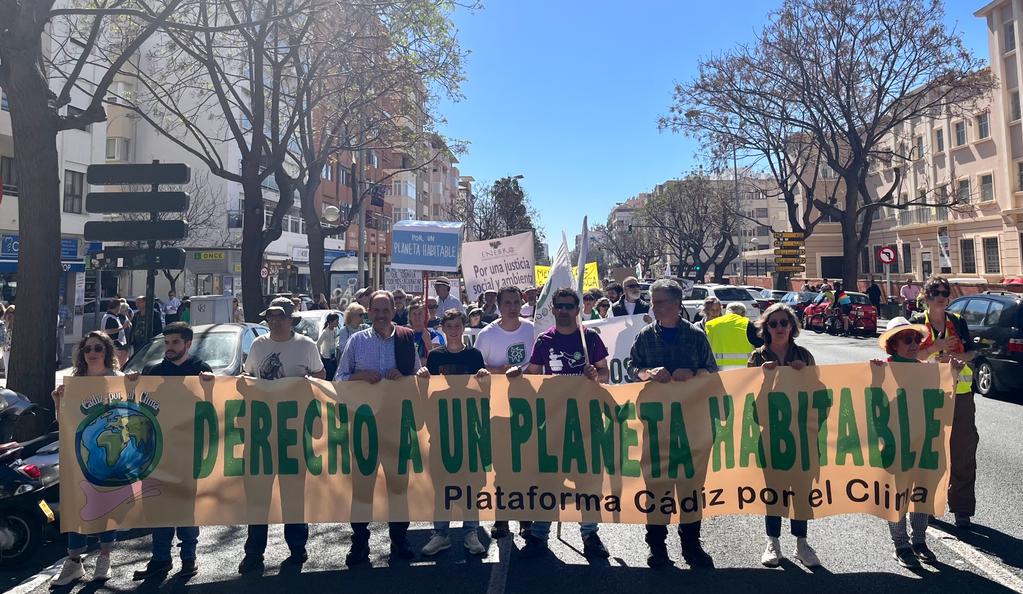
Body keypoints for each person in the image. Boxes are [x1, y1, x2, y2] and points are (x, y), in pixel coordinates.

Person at [508, 287, 610, 559]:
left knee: (587, 479)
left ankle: (590, 534)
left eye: (569, 306)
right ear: (552, 309)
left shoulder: (590, 339)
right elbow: (533, 376)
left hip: (586, 420)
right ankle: (540, 534)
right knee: (549, 479)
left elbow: (605, 374)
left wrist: (595, 375)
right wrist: (517, 375)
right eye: (559, 306)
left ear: (577, 310)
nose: (564, 311)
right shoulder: (544, 341)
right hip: (553, 420)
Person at [627, 279, 716, 569]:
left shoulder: (696, 336)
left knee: (690, 487)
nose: (655, 306)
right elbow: (631, 367)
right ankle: (657, 547)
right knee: (657, 486)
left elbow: (712, 372)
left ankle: (691, 545)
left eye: (661, 301)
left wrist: (692, 372)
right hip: (656, 427)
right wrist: (647, 373)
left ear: (678, 305)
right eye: (653, 301)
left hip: (691, 425)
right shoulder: (645, 336)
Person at [238, 297, 325, 574]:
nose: (274, 321)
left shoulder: (306, 346)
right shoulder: (258, 345)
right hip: (261, 432)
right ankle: (254, 552)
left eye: (280, 317)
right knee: (259, 494)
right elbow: (247, 376)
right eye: (270, 317)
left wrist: (310, 384)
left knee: (293, 493)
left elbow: (322, 377)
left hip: (294, 432)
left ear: (291, 319)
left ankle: (297, 547)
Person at [335, 291, 421, 564]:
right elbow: (338, 379)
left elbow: (420, 378)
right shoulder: (357, 342)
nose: (381, 315)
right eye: (376, 310)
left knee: (398, 486)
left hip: (397, 424)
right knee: (362, 487)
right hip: (364, 426)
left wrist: (406, 377)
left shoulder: (407, 340)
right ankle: (359, 543)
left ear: (394, 310)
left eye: (386, 309)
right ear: (369, 312)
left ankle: (399, 540)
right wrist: (359, 376)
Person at [871, 317, 957, 568]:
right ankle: (900, 545)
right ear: (893, 345)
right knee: (897, 495)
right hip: (895, 444)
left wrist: (952, 373)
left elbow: (942, 398)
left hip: (923, 443)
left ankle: (919, 541)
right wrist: (875, 377)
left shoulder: (925, 369)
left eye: (916, 339)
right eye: (907, 339)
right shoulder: (883, 368)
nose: (913, 344)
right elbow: (871, 401)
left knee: (921, 492)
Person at [130, 323, 214, 580]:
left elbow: (213, 405)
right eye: (167, 343)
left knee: (187, 506)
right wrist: (131, 386)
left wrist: (210, 387)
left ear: (188, 344)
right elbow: (139, 406)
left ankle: (188, 557)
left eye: (175, 343)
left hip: (189, 449)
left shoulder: (201, 370)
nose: (170, 348)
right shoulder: (153, 371)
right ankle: (160, 558)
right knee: (159, 506)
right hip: (158, 450)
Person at [747, 304, 821, 568]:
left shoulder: (804, 355)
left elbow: (821, 395)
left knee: (802, 490)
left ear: (792, 326)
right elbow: (749, 400)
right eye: (773, 324)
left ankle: (802, 543)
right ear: (766, 328)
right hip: (771, 434)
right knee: (774, 490)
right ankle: (773, 542)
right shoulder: (757, 357)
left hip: (801, 433)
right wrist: (765, 379)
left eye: (784, 323)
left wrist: (805, 376)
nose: (779, 328)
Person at [49, 332, 123, 586]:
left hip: (110, 454)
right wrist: (59, 401)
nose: (92, 352)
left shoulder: (119, 380)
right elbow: (64, 424)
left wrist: (135, 383)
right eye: (88, 348)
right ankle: (74, 562)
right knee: (78, 503)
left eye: (98, 348)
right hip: (80, 455)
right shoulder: (74, 382)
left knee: (108, 504)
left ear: (107, 352)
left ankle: (105, 557)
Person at [416, 309, 490, 557]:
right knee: (442, 484)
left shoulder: (474, 355)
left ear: (464, 327)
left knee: (471, 484)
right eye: (449, 327)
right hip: (442, 429)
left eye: (458, 326)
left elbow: (485, 394)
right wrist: (423, 378)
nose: (454, 331)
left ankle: (471, 531)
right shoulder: (435, 357)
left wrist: (485, 379)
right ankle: (441, 533)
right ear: (444, 330)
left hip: (470, 429)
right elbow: (426, 395)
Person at [909, 276, 977, 529]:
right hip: (927, 396)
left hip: (960, 395)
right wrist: (934, 347)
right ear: (926, 296)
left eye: (945, 291)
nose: (941, 295)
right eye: (935, 291)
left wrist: (959, 357)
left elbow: (972, 351)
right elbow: (905, 356)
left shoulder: (957, 322)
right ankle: (928, 504)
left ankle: (962, 509)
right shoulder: (916, 323)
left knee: (963, 452)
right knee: (929, 453)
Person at [475, 286, 536, 539]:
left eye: (516, 302)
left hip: (528, 407)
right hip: (498, 409)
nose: (512, 306)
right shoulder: (488, 334)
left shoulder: (532, 329)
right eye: (507, 302)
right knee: (502, 466)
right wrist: (500, 371)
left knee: (527, 465)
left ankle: (526, 517)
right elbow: (476, 369)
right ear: (498, 305)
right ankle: (501, 517)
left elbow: (538, 364)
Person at [704, 302, 763, 369]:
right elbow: (761, 346)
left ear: (726, 312)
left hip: (716, 368)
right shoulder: (749, 325)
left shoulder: (710, 324)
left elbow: (703, 347)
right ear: (743, 313)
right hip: (745, 368)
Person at [316, 312, 341, 380]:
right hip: (326, 358)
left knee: (333, 376)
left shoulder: (335, 331)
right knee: (328, 377)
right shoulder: (325, 332)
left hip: (333, 358)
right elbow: (318, 344)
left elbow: (335, 342)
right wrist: (320, 355)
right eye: (336, 321)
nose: (337, 323)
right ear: (331, 321)